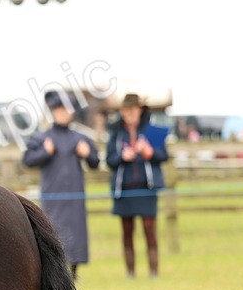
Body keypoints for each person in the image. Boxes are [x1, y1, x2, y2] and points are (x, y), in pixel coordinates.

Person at [21, 91, 100, 278]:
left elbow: (95, 162)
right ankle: (55, 271)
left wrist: (87, 153)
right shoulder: (43, 138)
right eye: (59, 110)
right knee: (53, 230)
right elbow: (28, 160)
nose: (63, 114)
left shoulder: (80, 138)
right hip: (53, 195)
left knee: (76, 232)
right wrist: (45, 152)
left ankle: (74, 273)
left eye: (66, 110)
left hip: (75, 196)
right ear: (53, 112)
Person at [105, 93, 170, 278]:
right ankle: (130, 272)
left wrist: (150, 153)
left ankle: (153, 272)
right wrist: (122, 157)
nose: (129, 114)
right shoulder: (116, 133)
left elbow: (163, 155)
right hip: (124, 189)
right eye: (125, 110)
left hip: (146, 187)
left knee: (150, 229)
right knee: (127, 231)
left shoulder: (151, 131)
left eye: (132, 110)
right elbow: (109, 160)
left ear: (140, 110)